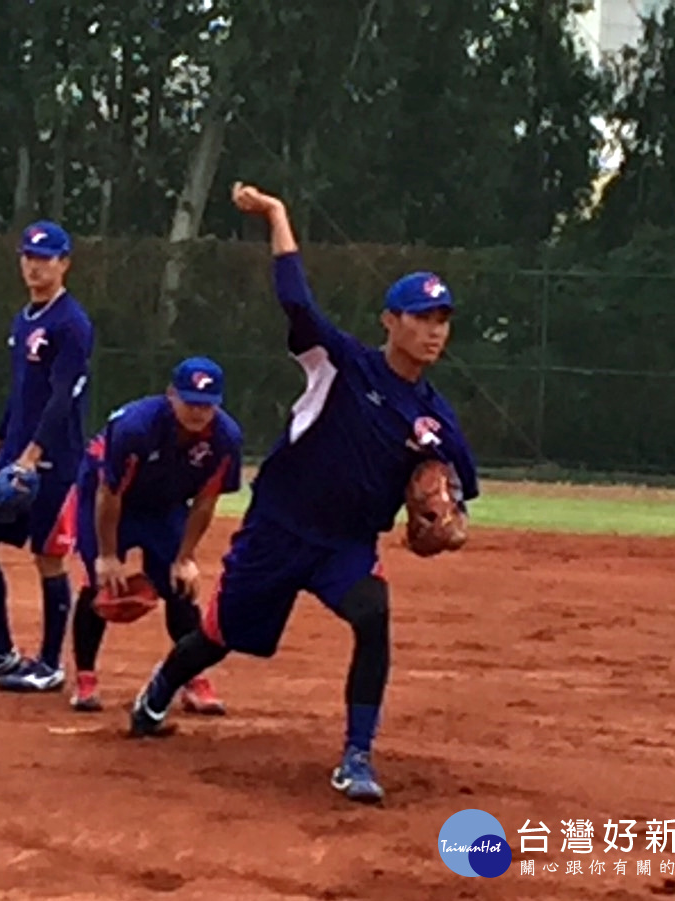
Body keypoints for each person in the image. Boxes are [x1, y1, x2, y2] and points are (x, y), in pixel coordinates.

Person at [125, 183, 479, 803]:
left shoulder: (436, 420)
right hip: (279, 529)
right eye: (421, 317)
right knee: (223, 635)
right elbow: (294, 297)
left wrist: (448, 525)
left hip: (345, 544)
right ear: (389, 322)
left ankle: (357, 757)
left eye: (442, 320)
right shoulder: (340, 362)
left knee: (373, 617)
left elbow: (458, 495)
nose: (433, 330)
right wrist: (277, 215)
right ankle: (160, 688)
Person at [0, 221, 95, 694]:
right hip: (15, 451)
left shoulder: (71, 324)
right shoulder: (24, 319)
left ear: (64, 263)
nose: (35, 266)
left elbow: (61, 398)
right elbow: (21, 392)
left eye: (46, 258)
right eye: (29, 257)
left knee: (48, 558)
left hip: (55, 458)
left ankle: (50, 664)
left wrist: (33, 455)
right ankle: (1, 651)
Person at [68, 356, 243, 714]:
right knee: (99, 584)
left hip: (165, 501)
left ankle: (193, 679)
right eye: (191, 401)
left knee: (180, 587)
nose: (198, 412)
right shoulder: (137, 428)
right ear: (171, 395)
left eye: (207, 405)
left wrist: (185, 557)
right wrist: (108, 555)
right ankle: (86, 678)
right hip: (106, 495)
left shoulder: (225, 438)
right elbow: (109, 493)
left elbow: (205, 501)